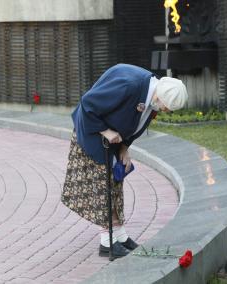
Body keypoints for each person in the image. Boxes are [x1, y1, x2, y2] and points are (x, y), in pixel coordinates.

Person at [61, 63, 188, 257]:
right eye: (166, 107)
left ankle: (119, 236)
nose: (165, 111)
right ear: (159, 96)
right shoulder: (129, 86)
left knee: (115, 186)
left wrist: (124, 148)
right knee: (104, 188)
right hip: (93, 134)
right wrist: (106, 131)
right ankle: (107, 242)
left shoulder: (152, 96)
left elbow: (136, 121)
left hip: (113, 141)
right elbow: (88, 104)